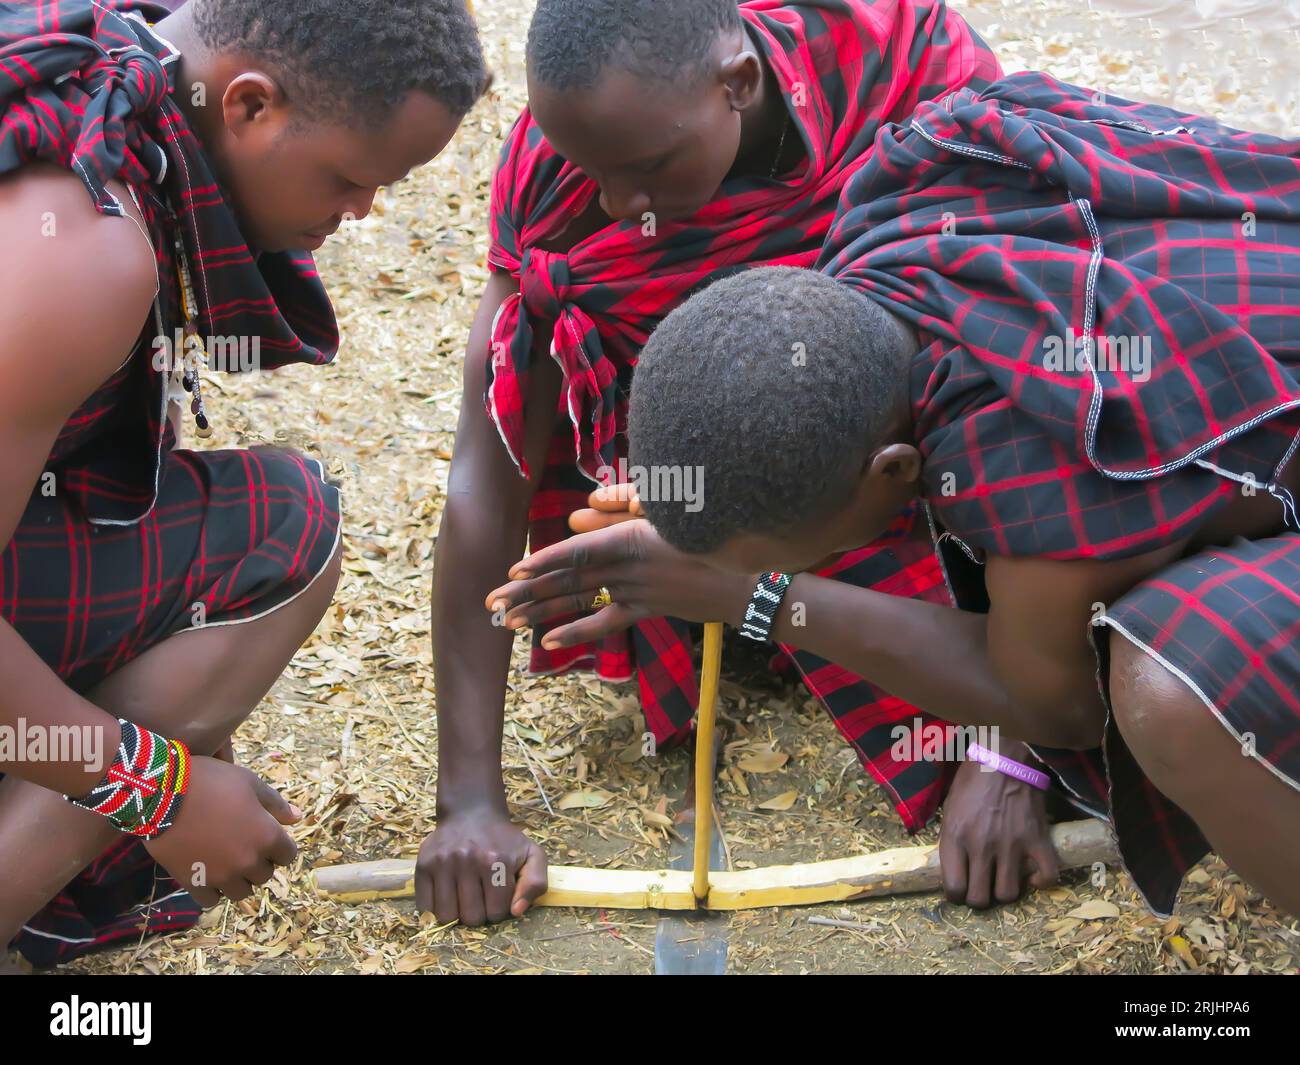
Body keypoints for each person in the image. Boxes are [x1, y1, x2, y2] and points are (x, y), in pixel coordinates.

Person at [487, 72, 1300, 918]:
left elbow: (1054, 703)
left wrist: (750, 595)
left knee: (1167, 687)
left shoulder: (1040, 451)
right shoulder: (902, 198)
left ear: (896, 471)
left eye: (802, 552)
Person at [423, 0, 1061, 928]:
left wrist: (1006, 749)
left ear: (741, 84)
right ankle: (731, 580)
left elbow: (1023, 406)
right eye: (588, 170)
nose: (612, 205)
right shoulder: (575, 155)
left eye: (643, 169)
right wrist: (470, 802)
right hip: (742, 487)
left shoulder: (908, 76)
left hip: (897, 474)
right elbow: (487, 467)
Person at [0, 0, 487, 969]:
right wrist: (154, 789)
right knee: (286, 537)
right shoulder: (86, 252)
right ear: (252, 106)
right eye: (352, 179)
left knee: (273, 523)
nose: (361, 214)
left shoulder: (91, 55)